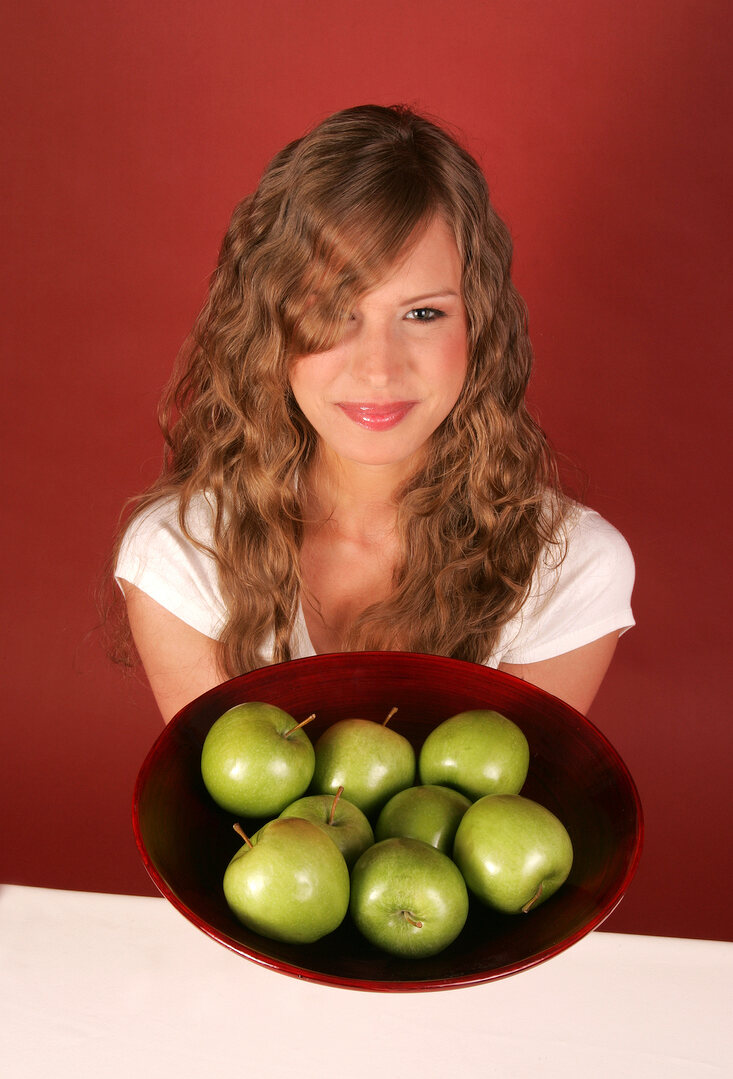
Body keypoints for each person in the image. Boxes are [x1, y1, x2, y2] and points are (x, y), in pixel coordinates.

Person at [112, 104, 634, 725]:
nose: (379, 369)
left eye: (423, 314)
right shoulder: (182, 551)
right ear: (270, 327)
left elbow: (496, 811)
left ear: (480, 326)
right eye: (334, 310)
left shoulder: (569, 566)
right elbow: (225, 820)